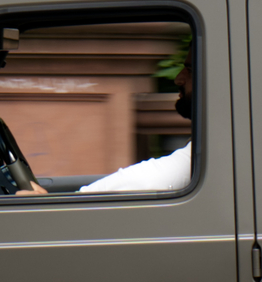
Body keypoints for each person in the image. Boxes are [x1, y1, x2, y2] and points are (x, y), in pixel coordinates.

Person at [60, 63, 194, 193]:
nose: (178, 79)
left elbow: (156, 178)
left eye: (190, 70)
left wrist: (72, 200)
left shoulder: (198, 157)